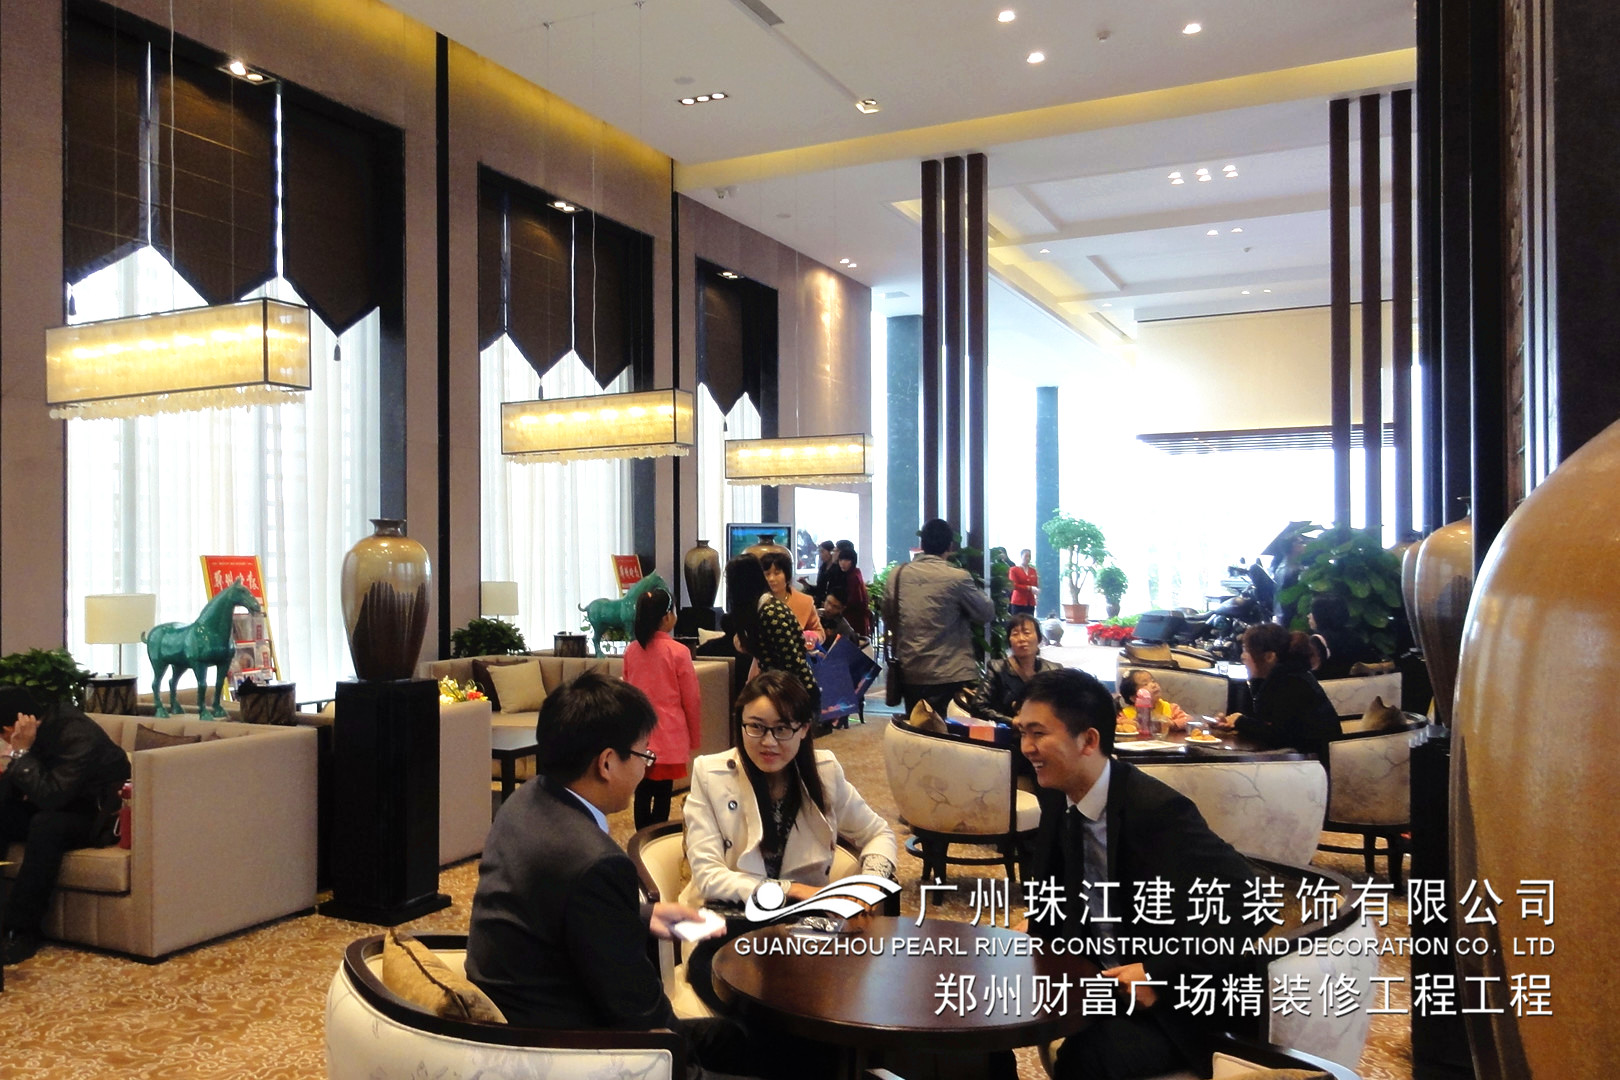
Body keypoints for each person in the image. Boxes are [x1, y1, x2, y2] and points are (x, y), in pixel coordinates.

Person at [464, 672, 770, 1079]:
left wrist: (642, 915)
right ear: (607, 762)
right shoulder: (595, 861)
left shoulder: (524, 803)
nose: (646, 767)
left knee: (739, 1038)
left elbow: (558, 906)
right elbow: (643, 1018)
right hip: (572, 1051)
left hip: (530, 1014)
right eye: (644, 755)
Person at [1015, 667, 1261, 1079]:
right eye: (1022, 732)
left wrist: (1157, 974)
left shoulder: (1156, 810)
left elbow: (1250, 904)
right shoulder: (1059, 796)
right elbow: (1056, 895)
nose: (1026, 747)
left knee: (1087, 1057)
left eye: (1038, 733)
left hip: (1176, 1006)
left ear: (1089, 741)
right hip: (1102, 980)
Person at [680, 671, 897, 1010]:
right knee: (758, 1002)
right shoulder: (710, 774)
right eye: (756, 727)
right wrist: (792, 890)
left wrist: (868, 885)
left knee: (852, 995)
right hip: (728, 925)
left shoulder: (825, 772)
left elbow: (878, 833)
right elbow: (709, 877)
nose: (768, 742)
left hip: (805, 929)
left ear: (804, 729)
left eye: (782, 729)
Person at [0, 686, 132, 965]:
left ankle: (22, 931)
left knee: (46, 826)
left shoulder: (76, 734)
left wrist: (21, 753)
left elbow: (52, 796)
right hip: (63, 805)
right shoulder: (41, 728)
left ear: (12, 728)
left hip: (98, 816)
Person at [883, 518, 994, 718]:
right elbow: (986, 613)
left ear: (922, 544)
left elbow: (890, 617)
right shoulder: (957, 577)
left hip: (912, 671)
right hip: (951, 672)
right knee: (952, 730)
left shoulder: (897, 575)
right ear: (950, 546)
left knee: (918, 727)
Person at [622, 585, 702, 830]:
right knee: (663, 792)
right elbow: (691, 698)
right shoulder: (679, 652)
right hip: (669, 734)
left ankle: (640, 838)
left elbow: (626, 693)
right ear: (667, 617)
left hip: (639, 734)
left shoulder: (631, 651)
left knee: (642, 789)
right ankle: (656, 836)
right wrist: (694, 736)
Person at [1215, 622, 1342, 756]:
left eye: (1247, 650)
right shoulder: (1281, 676)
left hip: (1311, 762)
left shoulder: (1292, 683)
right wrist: (1234, 723)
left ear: (1269, 657)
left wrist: (1240, 721)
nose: (1243, 656)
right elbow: (1266, 724)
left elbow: (1280, 736)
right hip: (1296, 758)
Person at [723, 555, 819, 712]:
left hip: (793, 696)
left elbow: (791, 664)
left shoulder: (771, 612)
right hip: (777, 690)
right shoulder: (761, 609)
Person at [966, 613, 1056, 727]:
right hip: (1009, 733)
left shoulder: (1052, 671)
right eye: (1015, 634)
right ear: (1009, 641)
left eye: (1027, 633)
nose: (1021, 639)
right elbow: (978, 707)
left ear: (1039, 638)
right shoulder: (997, 669)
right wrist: (1011, 721)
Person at [757, 549, 823, 648]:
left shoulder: (804, 601)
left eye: (777, 573)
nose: (771, 579)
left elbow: (819, 632)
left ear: (787, 575)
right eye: (767, 574)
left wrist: (811, 637)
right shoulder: (757, 601)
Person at [1307, 592, 1371, 680]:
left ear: (1322, 615)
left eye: (1313, 612)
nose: (1309, 615)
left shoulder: (1317, 641)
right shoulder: (1355, 636)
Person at [1116, 669, 1192, 733]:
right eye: (1145, 684)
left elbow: (1188, 719)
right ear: (1134, 697)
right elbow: (1115, 723)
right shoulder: (1126, 713)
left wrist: (1172, 724)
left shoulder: (1170, 708)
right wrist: (1128, 722)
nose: (1153, 685)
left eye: (1153, 681)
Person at [831, 541, 871, 639]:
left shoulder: (853, 576)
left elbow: (855, 600)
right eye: (841, 560)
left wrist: (838, 607)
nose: (842, 563)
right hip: (852, 618)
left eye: (846, 560)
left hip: (854, 620)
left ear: (852, 561)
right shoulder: (852, 573)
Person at [1008, 548, 1039, 616]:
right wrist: (1029, 588)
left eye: (1029, 556)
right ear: (1021, 556)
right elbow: (1014, 585)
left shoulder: (1033, 570)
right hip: (1018, 602)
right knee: (1017, 620)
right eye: (1026, 556)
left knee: (1029, 620)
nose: (1027, 558)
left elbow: (1035, 584)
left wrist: (1036, 593)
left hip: (1030, 602)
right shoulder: (1014, 570)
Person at [810, 540, 837, 605]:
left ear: (831, 552)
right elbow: (819, 588)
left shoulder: (837, 569)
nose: (820, 555)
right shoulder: (822, 568)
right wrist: (806, 584)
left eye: (822, 552)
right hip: (820, 600)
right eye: (819, 552)